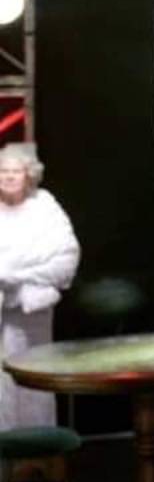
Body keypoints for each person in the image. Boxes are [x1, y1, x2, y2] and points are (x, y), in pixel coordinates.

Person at [0, 142, 80, 430]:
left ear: (29, 174)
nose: (9, 177)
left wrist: (12, 272)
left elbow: (66, 258)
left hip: (33, 316)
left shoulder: (44, 207)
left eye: (16, 171)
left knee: (34, 385)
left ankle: (40, 448)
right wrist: (24, 266)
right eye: (3, 171)